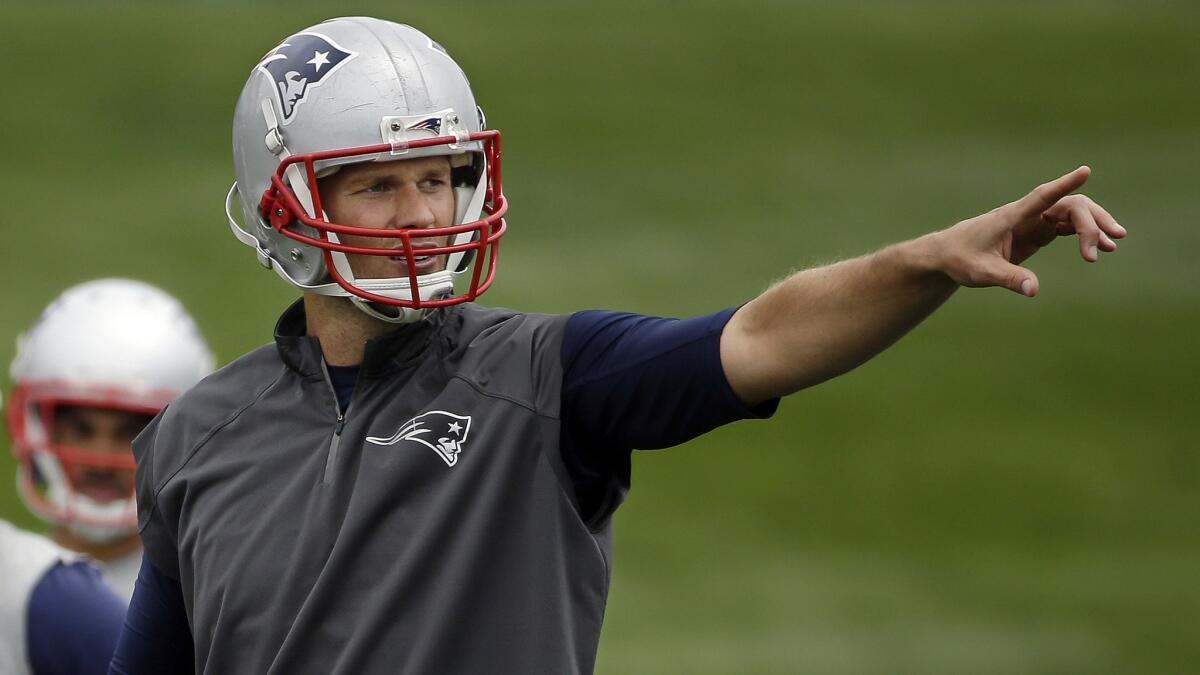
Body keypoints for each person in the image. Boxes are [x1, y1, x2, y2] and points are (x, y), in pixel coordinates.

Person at [109, 17, 1126, 675]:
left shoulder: (550, 378)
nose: (426, 214)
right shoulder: (198, 439)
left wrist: (924, 262)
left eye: (442, 176)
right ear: (287, 204)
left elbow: (763, 338)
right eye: (379, 185)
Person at [6, 278, 215, 600]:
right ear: (40, 427)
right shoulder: (9, 583)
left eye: (131, 433)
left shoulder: (207, 602)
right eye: (81, 429)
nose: (101, 459)